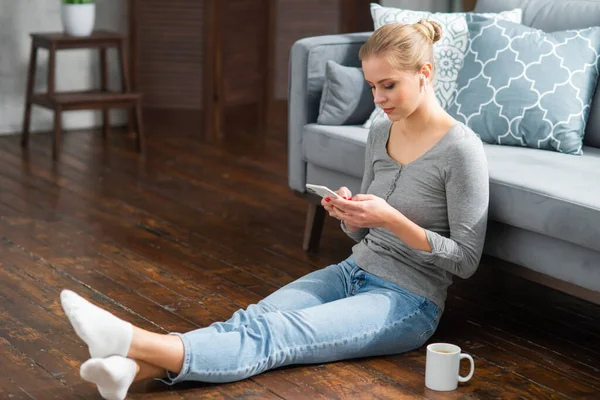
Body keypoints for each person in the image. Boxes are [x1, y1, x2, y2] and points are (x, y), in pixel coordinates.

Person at [60, 19, 489, 400]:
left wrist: (391, 218)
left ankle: (131, 341)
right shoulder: (381, 130)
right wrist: (350, 214)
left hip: (407, 300)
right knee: (256, 318)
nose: (378, 99)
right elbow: (364, 235)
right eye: (372, 86)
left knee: (277, 335)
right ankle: (129, 371)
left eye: (388, 85)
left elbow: (466, 261)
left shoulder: (461, 150)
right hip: (352, 270)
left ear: (425, 73)